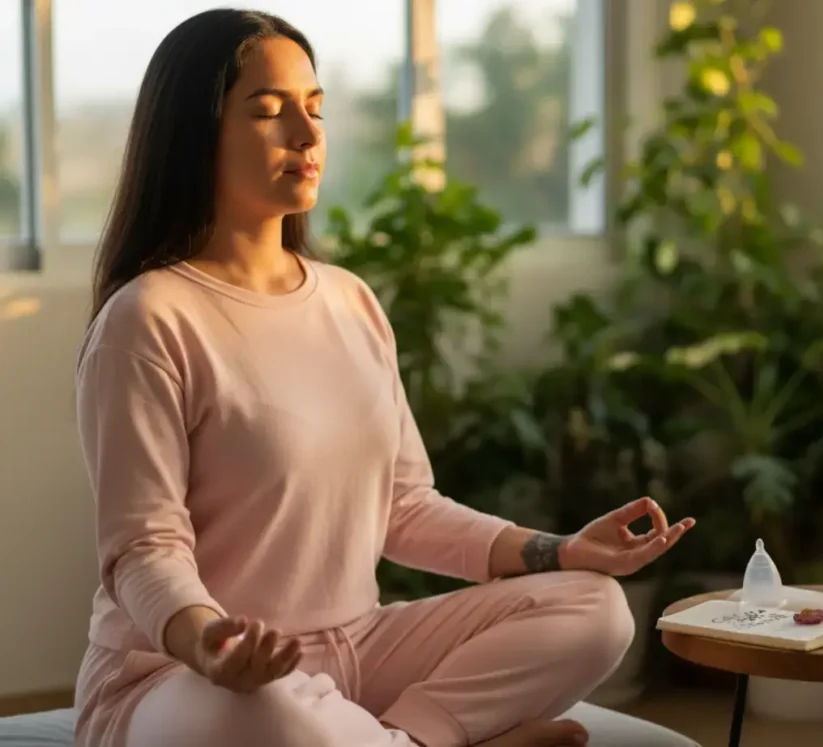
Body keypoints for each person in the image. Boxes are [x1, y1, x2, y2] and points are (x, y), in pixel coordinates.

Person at [72, 9, 696, 747]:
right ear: (193, 133)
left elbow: (403, 506)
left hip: (356, 647)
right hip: (186, 677)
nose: (306, 135)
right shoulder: (148, 317)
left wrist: (558, 549)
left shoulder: (348, 300)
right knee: (264, 712)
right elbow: (143, 551)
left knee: (596, 609)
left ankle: (414, 739)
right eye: (270, 112)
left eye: (315, 108)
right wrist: (211, 642)